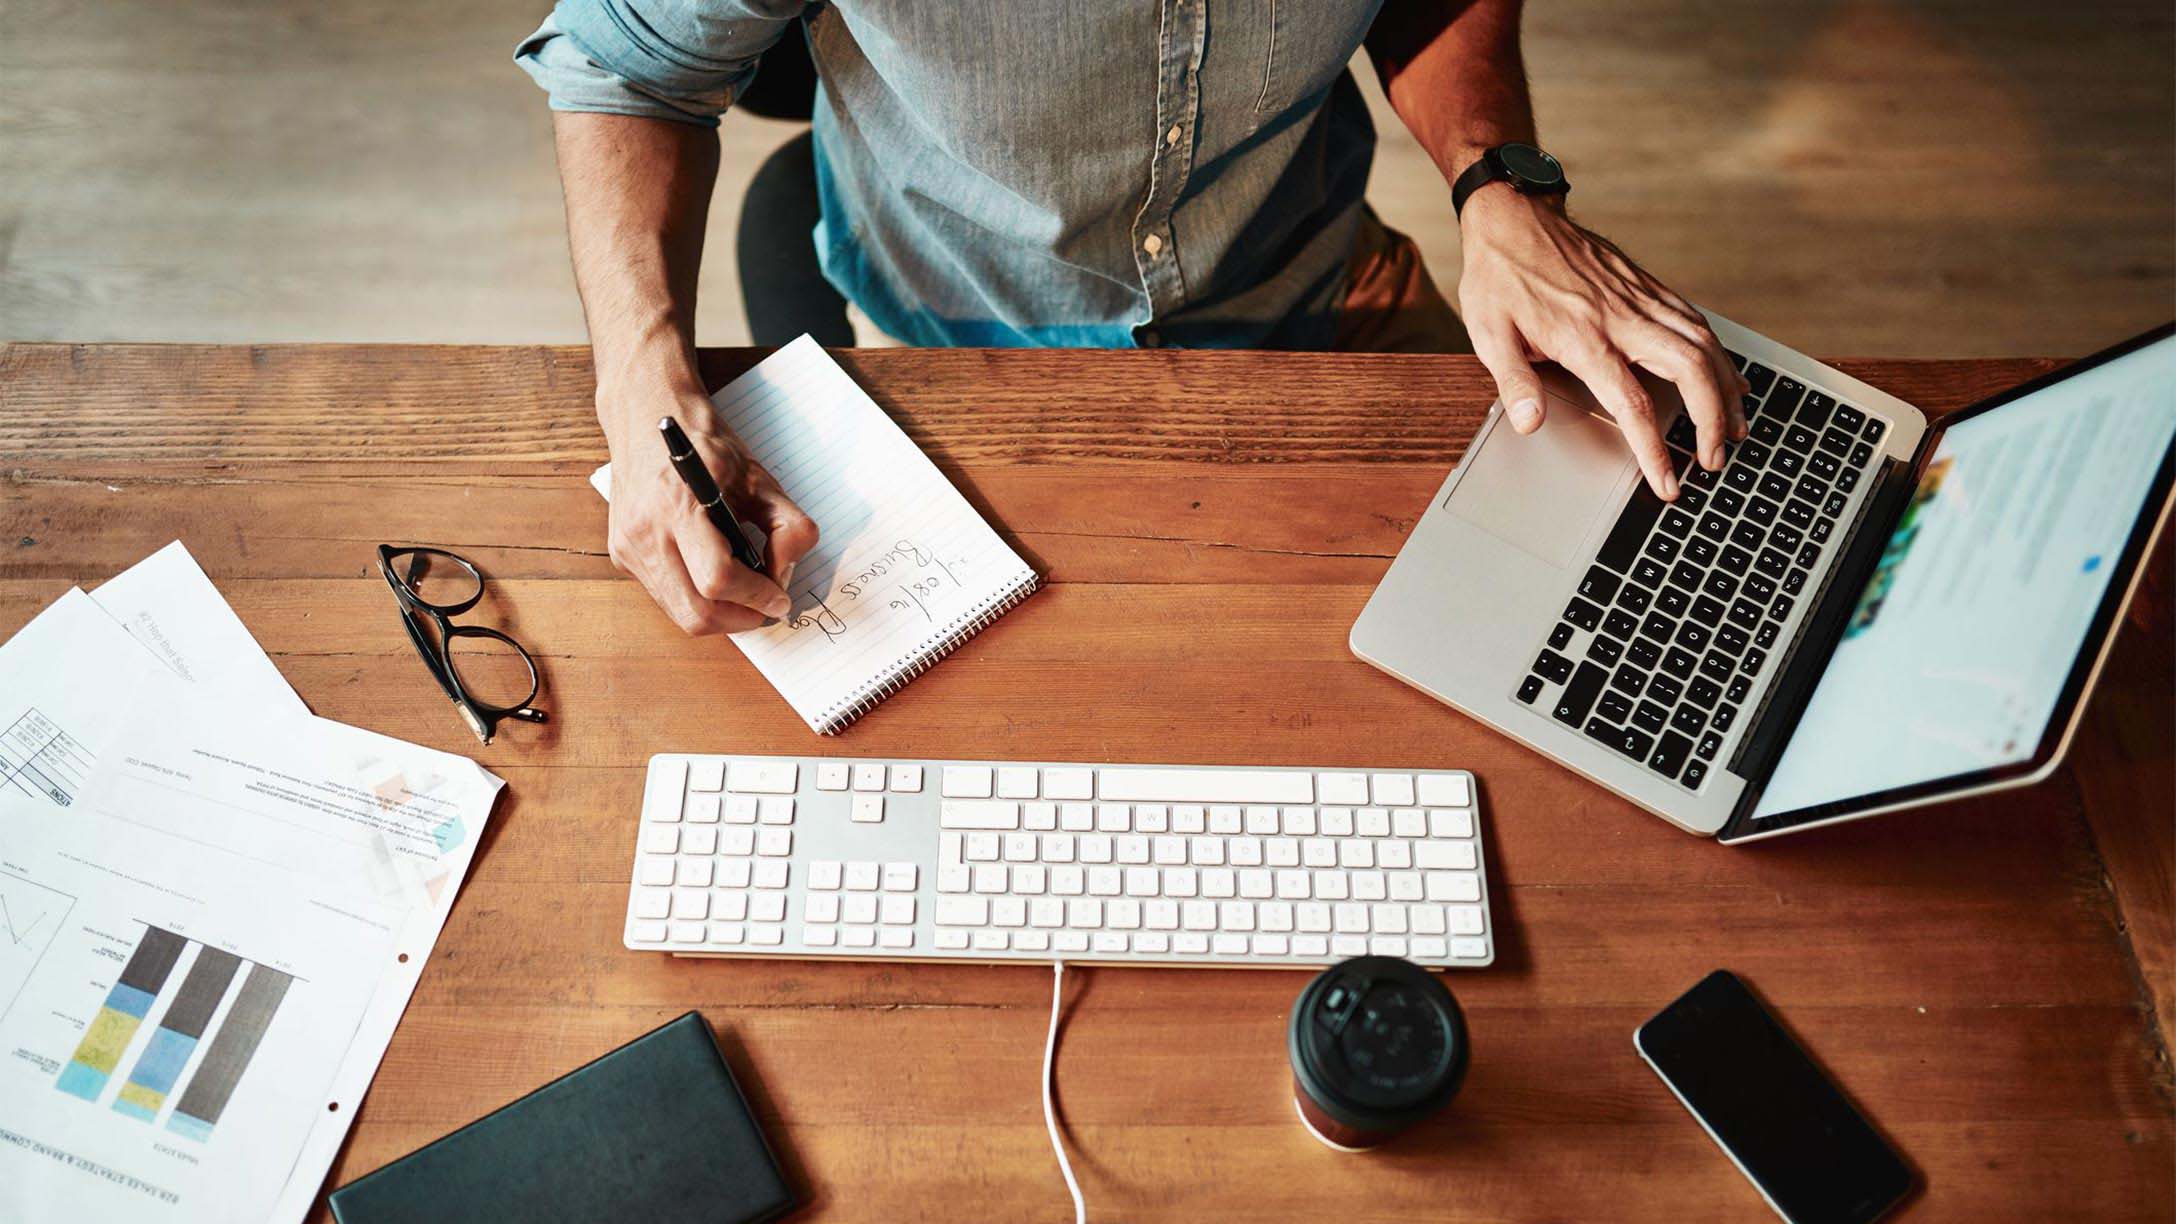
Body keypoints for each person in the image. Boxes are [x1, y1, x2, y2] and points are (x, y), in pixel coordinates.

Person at [516, 0, 1747, 635]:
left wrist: (1494, 175)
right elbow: (627, 63)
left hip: (1314, 279)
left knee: (1610, 584)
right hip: (952, 337)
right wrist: (637, 383)